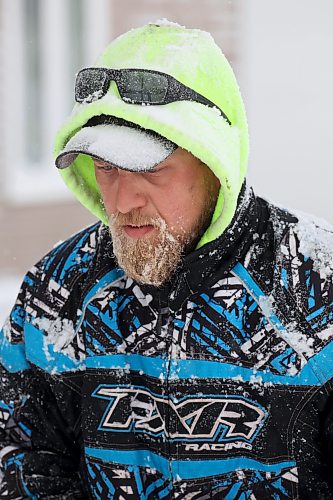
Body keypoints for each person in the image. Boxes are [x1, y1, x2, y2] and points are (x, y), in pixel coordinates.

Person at [0, 19, 333, 499]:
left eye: (149, 170)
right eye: (106, 168)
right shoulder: (58, 294)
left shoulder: (314, 284)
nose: (122, 199)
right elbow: (21, 453)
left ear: (214, 162)